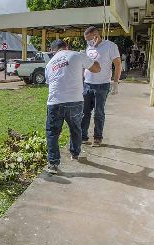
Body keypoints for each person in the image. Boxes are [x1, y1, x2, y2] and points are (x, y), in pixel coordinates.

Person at [45, 40, 101, 174]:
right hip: (75, 100)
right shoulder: (77, 55)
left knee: (52, 133)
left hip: (55, 101)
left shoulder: (49, 64)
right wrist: (92, 59)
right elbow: (97, 69)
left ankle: (53, 164)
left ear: (54, 50)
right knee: (75, 128)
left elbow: (49, 83)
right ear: (66, 47)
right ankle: (75, 153)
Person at [82, 26, 122, 147]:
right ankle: (83, 136)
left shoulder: (110, 46)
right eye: (86, 40)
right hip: (87, 84)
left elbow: (118, 64)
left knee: (99, 112)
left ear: (96, 35)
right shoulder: (89, 47)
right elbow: (86, 64)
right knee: (85, 112)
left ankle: (98, 137)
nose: (88, 42)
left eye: (89, 39)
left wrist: (115, 83)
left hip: (102, 85)